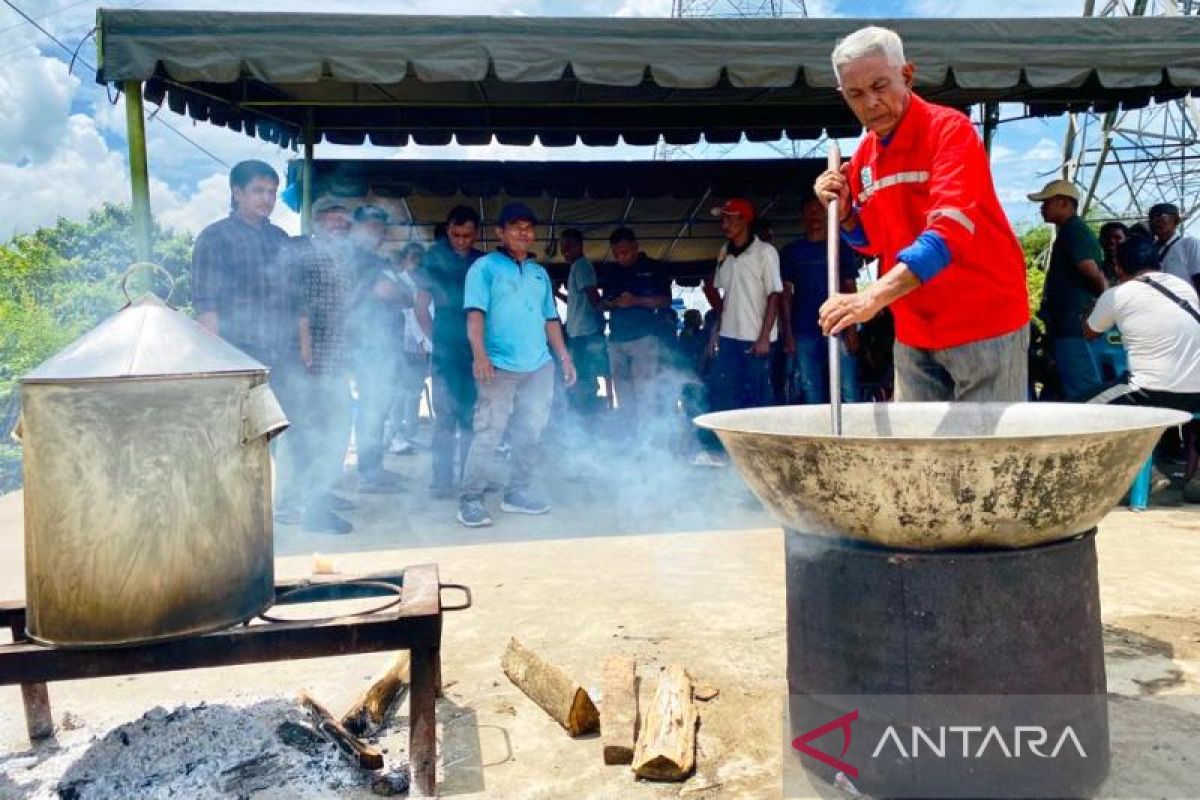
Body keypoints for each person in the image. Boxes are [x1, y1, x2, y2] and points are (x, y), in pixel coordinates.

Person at [814, 26, 1029, 402]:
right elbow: (873, 242)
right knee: (918, 453)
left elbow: (947, 235)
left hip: (984, 323)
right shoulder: (865, 157)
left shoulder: (949, 131)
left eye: (880, 86)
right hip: (914, 331)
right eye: (855, 94)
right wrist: (846, 214)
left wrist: (871, 298)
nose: (870, 103)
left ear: (907, 75)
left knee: (985, 453)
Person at [457, 203, 576, 527]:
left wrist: (563, 356)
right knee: (489, 433)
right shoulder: (484, 268)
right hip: (498, 366)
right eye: (515, 226)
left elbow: (551, 319)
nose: (523, 233)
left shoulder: (539, 273)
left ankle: (517, 493)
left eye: (528, 227)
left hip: (538, 366)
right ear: (500, 232)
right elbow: (475, 315)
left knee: (531, 432)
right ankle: (470, 498)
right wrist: (480, 355)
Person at [1083, 233, 1200, 501]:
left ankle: (1140, 474)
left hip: (1149, 391)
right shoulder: (1184, 288)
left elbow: (1089, 332)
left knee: (1078, 412)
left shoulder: (1117, 294)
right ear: (1157, 262)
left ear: (1118, 267)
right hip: (1197, 392)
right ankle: (1179, 475)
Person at [278, 199, 359, 534]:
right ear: (315, 223)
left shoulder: (344, 259)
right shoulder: (305, 255)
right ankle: (291, 503)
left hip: (336, 359)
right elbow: (300, 307)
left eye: (343, 226)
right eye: (331, 223)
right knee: (303, 432)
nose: (337, 230)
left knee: (336, 427)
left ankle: (319, 492)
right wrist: (305, 349)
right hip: (309, 359)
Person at [192, 160, 293, 367]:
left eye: (272, 192)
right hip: (237, 350)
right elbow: (206, 304)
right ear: (237, 193)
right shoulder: (215, 237)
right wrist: (214, 358)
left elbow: (295, 296)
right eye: (258, 191)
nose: (267, 199)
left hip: (282, 351)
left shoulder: (281, 238)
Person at [414, 206, 485, 499]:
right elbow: (420, 308)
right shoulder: (432, 259)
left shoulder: (484, 262)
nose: (461, 241)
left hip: (477, 353)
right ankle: (441, 481)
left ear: (476, 234)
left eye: (467, 236)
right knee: (445, 418)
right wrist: (437, 342)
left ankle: (470, 481)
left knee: (473, 419)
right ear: (447, 230)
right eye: (455, 235)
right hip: (446, 353)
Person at [347, 204, 410, 493]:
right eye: (371, 226)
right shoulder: (360, 259)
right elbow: (392, 293)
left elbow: (405, 298)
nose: (377, 232)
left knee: (378, 408)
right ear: (357, 226)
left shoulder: (373, 260)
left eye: (380, 227)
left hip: (378, 344)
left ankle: (373, 468)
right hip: (365, 345)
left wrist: (403, 295)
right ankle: (368, 474)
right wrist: (402, 294)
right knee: (372, 409)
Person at [1028, 179, 1108, 400]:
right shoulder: (1069, 231)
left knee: (1082, 391)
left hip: (1074, 326)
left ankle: (1092, 433)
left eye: (1046, 202)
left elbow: (1091, 271)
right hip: (1066, 325)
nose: (1041, 207)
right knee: (1062, 386)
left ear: (1064, 203)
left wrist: (1105, 305)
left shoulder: (1074, 231)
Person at [779, 196, 861, 404]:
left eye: (819, 210)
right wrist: (788, 333)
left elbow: (850, 288)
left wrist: (852, 330)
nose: (815, 215)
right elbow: (785, 295)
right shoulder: (791, 252)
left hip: (840, 326)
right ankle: (817, 438)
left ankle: (854, 437)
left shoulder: (842, 246)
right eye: (810, 211)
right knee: (811, 392)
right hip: (804, 330)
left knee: (849, 391)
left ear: (828, 214)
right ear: (802, 217)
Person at [601, 227, 673, 442]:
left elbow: (666, 300)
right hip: (616, 339)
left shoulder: (653, 268)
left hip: (645, 340)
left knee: (645, 393)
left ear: (636, 247)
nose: (621, 257)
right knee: (623, 393)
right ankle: (629, 440)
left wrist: (636, 301)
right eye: (617, 254)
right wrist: (612, 303)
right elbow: (602, 302)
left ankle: (648, 442)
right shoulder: (612, 272)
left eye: (625, 252)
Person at [558, 228, 608, 417]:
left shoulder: (581, 265)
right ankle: (584, 414)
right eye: (563, 247)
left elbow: (593, 296)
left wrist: (604, 310)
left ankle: (587, 415)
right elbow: (575, 300)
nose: (565, 250)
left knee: (584, 376)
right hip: (579, 332)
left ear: (580, 246)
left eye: (569, 246)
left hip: (585, 333)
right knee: (581, 375)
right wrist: (556, 293)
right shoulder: (577, 267)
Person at [390, 242, 430, 455]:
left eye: (420, 260)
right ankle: (396, 436)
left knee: (414, 391)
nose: (417, 264)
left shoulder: (420, 284)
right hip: (400, 345)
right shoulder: (399, 283)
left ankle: (409, 435)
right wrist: (423, 340)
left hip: (416, 347)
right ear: (405, 260)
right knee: (399, 392)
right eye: (413, 259)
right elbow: (410, 315)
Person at [1149, 202, 1200, 296]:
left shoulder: (1189, 244)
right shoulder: (1150, 250)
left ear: (1176, 220)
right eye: (1152, 218)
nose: (1156, 221)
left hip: (1186, 305)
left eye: (1161, 216)